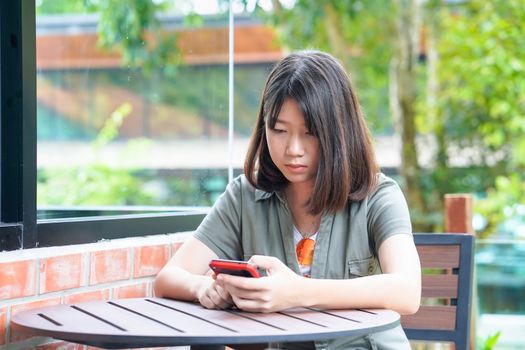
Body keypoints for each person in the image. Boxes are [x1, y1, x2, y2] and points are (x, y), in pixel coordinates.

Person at [154, 50, 421, 349]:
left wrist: (297, 291)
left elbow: (408, 291)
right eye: (279, 130)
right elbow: (168, 277)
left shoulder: (378, 196)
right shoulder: (244, 196)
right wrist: (203, 287)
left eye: (311, 133)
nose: (293, 149)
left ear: (339, 131)